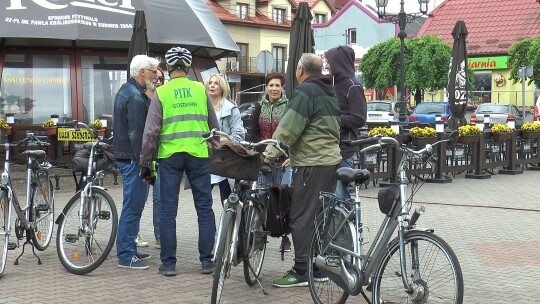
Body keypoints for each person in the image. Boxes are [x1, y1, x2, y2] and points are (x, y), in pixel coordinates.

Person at [262, 53, 341, 287]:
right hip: (328, 162)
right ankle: (318, 268)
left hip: (312, 164)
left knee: (301, 217)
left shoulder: (306, 91)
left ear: (299, 70)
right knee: (319, 216)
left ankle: (301, 270)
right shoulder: (329, 92)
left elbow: (288, 129)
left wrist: (267, 158)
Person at [139, 46, 219, 277]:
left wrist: (145, 162)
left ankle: (169, 264)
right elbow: (215, 127)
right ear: (187, 67)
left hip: (170, 157)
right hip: (199, 155)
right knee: (204, 208)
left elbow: (150, 133)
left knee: (168, 210)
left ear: (168, 67)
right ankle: (206, 261)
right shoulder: (200, 89)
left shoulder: (162, 93)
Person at [113, 54, 159, 270]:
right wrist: (145, 164)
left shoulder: (129, 91)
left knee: (134, 206)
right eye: (153, 71)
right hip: (134, 160)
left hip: (129, 157)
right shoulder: (135, 96)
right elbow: (138, 134)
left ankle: (129, 248)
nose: (156, 75)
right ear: (142, 72)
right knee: (133, 207)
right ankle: (125, 255)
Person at [250, 73, 292, 252]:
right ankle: (258, 236)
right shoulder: (259, 107)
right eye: (271, 85)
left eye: (277, 85)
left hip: (283, 162)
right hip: (264, 161)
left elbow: (291, 133)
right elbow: (253, 133)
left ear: (283, 88)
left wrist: (285, 154)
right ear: (266, 87)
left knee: (283, 200)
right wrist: (264, 153)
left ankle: (284, 236)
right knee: (259, 199)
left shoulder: (289, 107)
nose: (274, 89)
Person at [324, 45, 367, 200]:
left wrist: (333, 119)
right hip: (328, 148)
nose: (327, 65)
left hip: (344, 149)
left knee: (340, 195)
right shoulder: (331, 84)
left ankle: (348, 223)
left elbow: (359, 118)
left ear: (338, 62)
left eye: (329, 62)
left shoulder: (353, 85)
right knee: (331, 196)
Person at [136, 67, 165, 249]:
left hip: (162, 154)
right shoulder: (141, 99)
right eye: (156, 77)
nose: (158, 80)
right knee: (139, 197)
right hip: (145, 154)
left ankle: (160, 236)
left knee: (160, 198)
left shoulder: (165, 98)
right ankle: (134, 232)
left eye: (161, 78)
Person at [205, 73, 244, 203]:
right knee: (203, 203)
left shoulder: (231, 109)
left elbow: (238, 136)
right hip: (206, 160)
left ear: (222, 87)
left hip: (225, 162)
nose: (212, 86)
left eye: (216, 83)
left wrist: (216, 141)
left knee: (227, 202)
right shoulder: (202, 108)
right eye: (210, 83)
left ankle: (227, 224)